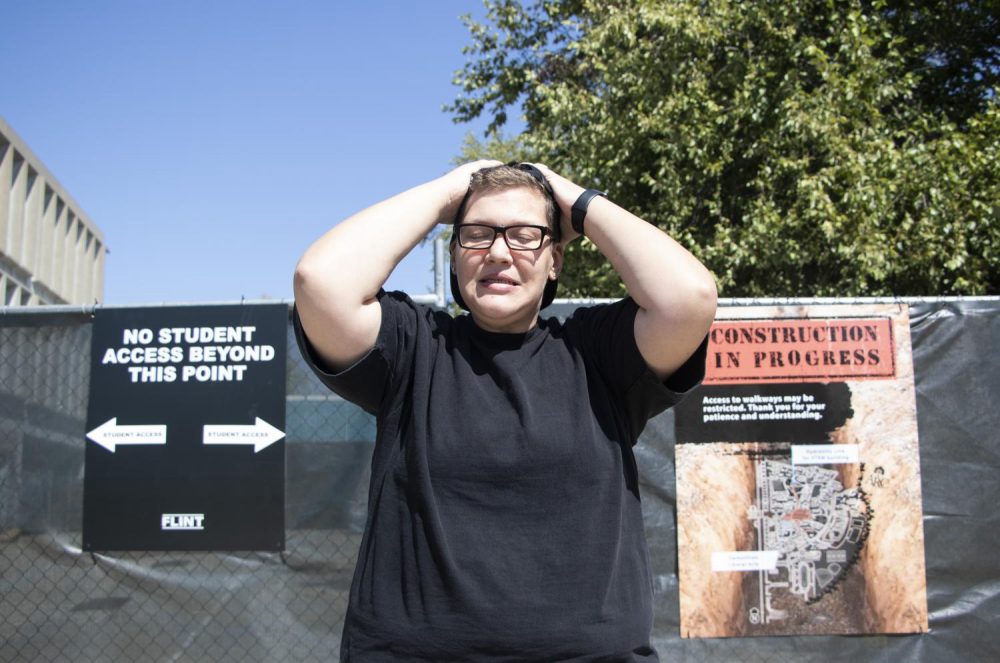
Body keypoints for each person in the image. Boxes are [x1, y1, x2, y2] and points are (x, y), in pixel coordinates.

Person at [292, 161, 718, 661]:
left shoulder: (599, 354)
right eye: (476, 235)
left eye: (524, 236)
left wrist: (568, 196)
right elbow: (320, 280)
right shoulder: (414, 349)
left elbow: (690, 296)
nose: (498, 252)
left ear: (555, 259)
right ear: (455, 257)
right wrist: (450, 189)